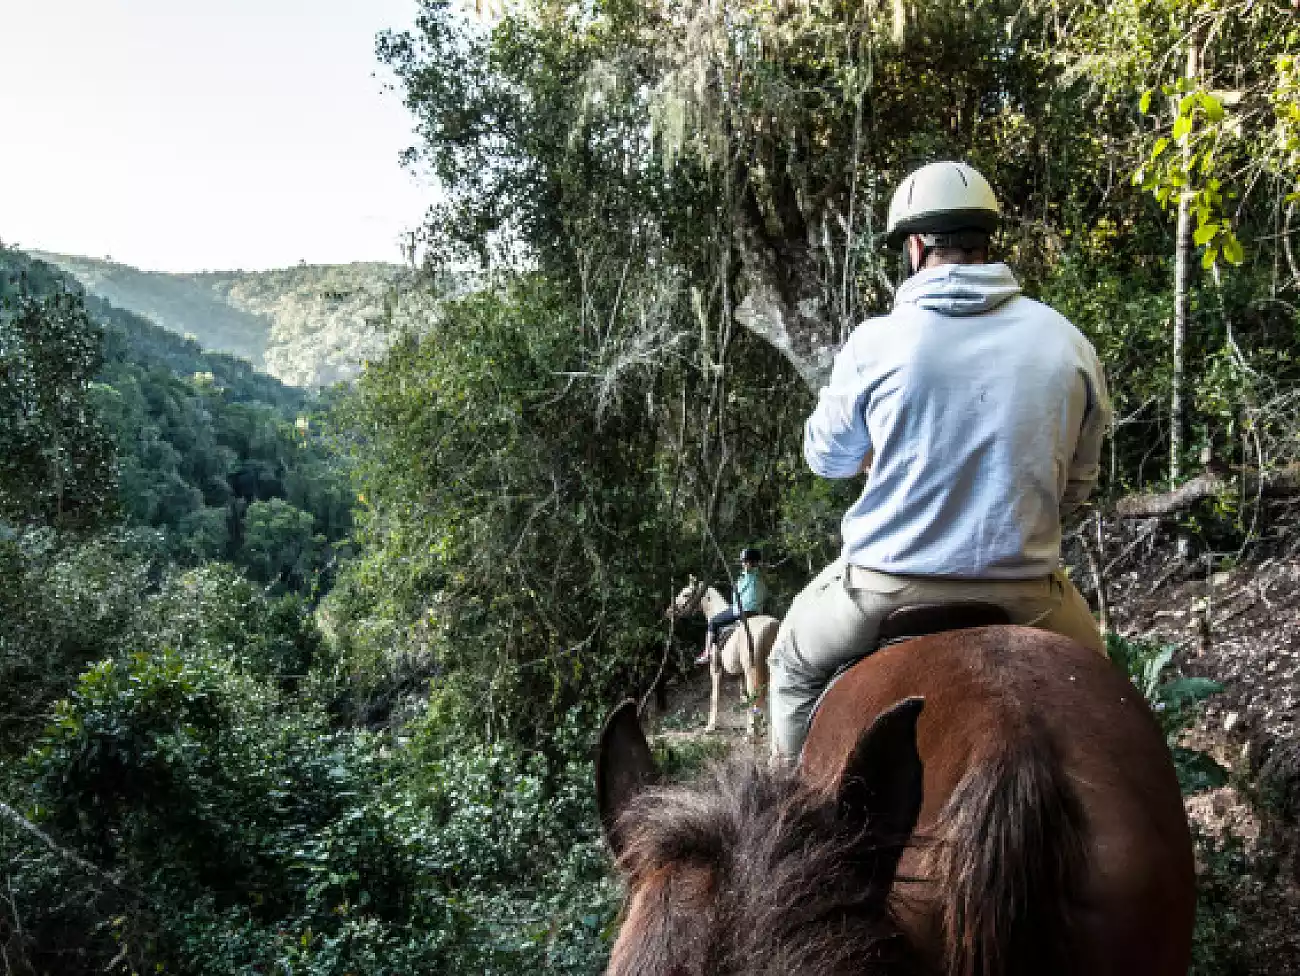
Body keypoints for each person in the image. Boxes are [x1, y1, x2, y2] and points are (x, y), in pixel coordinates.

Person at [767, 161, 1112, 762]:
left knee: (790, 665)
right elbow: (1077, 486)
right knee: (1108, 695)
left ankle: (789, 810)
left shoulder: (876, 343)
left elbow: (825, 456)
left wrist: (871, 455)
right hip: (1027, 593)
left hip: (882, 589)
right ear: (987, 241)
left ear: (916, 247)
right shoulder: (1066, 342)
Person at [695, 548, 769, 665]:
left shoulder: (748, 576)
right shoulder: (760, 576)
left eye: (745, 561)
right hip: (757, 611)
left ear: (752, 562)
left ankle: (706, 654)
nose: (743, 564)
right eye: (743, 562)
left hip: (742, 610)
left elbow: (740, 595)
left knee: (713, 622)